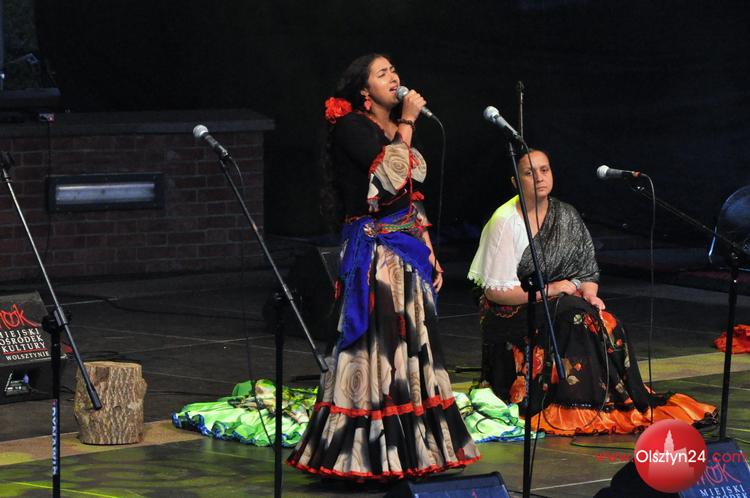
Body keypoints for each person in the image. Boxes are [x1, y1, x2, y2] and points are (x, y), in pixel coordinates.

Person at [287, 54, 480, 480]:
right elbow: (390, 177)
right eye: (382, 73)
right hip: (375, 255)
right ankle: (365, 453)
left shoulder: (393, 129)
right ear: (364, 90)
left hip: (405, 252)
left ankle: (415, 451)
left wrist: (427, 246)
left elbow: (410, 195)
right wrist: (408, 122)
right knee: (378, 349)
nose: (394, 77)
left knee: (410, 350)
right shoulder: (351, 128)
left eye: (394, 70)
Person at [468, 149, 716, 435]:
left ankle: (611, 400)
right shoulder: (504, 221)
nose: (539, 178)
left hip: (562, 301)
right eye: (529, 173)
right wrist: (551, 290)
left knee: (606, 321)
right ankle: (574, 403)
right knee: (577, 319)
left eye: (545, 170)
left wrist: (590, 294)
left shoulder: (566, 215)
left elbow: (586, 270)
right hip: (514, 309)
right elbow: (496, 293)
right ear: (515, 181)